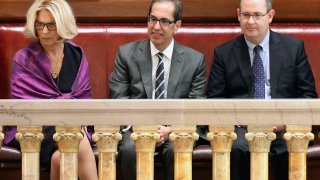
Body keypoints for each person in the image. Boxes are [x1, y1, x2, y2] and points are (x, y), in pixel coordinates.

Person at [206, 0, 317, 180]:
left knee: (290, 148)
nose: (251, 21)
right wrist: (242, 121)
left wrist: (284, 123)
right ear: (238, 15)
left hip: (284, 126)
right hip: (241, 127)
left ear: (270, 16)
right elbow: (215, 99)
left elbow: (308, 95)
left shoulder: (293, 48)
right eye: (246, 15)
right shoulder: (224, 53)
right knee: (236, 148)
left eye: (257, 15)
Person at [108, 0, 206, 179]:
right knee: (130, 150)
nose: (156, 27)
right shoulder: (126, 54)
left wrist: (170, 130)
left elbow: (196, 106)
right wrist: (145, 128)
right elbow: (119, 100)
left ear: (177, 26)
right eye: (152, 19)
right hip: (136, 130)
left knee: (178, 148)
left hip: (176, 131)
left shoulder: (194, 61)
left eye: (164, 21)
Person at [3, 0, 98, 180]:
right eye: (40, 24)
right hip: (33, 130)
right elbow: (23, 108)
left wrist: (70, 114)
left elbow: (84, 97)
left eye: (51, 25)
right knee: (74, 134)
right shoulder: (24, 59)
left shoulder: (76, 54)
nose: (44, 31)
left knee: (60, 157)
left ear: (63, 24)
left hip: (71, 126)